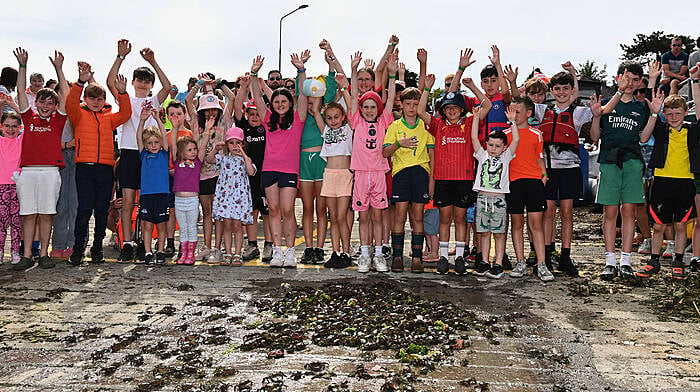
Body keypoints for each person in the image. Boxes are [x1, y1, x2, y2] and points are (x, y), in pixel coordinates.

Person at [419, 49, 491, 276]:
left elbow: (486, 106)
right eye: (447, 108)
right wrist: (428, 89)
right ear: (442, 110)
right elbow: (421, 110)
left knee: (461, 218)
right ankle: (442, 258)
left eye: (455, 107)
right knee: (445, 219)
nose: (451, 111)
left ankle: (459, 257)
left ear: (462, 109)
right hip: (443, 178)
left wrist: (472, 87)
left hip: (464, 177)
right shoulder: (438, 125)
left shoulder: (469, 124)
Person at [108, 39, 172, 262]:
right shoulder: (126, 98)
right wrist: (120, 56)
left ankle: (150, 244)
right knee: (127, 201)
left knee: (148, 201)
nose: (143, 84)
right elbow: (110, 82)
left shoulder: (154, 100)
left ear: (150, 85)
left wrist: (153, 61)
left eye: (147, 81)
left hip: (151, 155)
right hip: (128, 152)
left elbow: (168, 86)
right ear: (134, 82)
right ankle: (127, 242)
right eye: (140, 80)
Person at [67, 61, 131, 266]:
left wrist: (122, 93)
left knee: (102, 210)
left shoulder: (109, 117)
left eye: (100, 98)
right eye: (92, 98)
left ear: (104, 100)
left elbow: (126, 114)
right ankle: (78, 249)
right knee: (84, 210)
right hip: (84, 168)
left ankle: (97, 249)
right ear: (85, 99)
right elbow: (70, 104)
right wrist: (79, 82)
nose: (96, 102)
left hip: (105, 168)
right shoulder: (78, 114)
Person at [589, 62, 648, 281]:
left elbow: (642, 138)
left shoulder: (641, 108)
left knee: (629, 210)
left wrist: (653, 114)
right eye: (626, 78)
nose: (630, 83)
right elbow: (595, 137)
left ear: (640, 82)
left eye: (635, 80)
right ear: (617, 78)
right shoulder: (603, 104)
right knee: (610, 212)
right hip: (609, 161)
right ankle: (609, 261)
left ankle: (625, 261)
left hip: (632, 161)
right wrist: (596, 116)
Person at [250, 52, 309, 268]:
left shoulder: (297, 118)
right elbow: (257, 97)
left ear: (290, 102)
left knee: (287, 209)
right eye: (277, 101)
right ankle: (277, 250)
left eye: (284, 101)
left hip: (289, 171)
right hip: (269, 170)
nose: (280, 104)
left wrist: (301, 70)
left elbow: (303, 95)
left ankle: (291, 251)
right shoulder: (267, 119)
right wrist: (254, 73)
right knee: (273, 209)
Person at [12, 48, 68, 270]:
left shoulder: (58, 121)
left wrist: (59, 69)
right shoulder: (28, 115)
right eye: (42, 102)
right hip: (27, 172)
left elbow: (65, 95)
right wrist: (23, 66)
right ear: (37, 103)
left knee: (46, 214)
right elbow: (20, 90)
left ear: (55, 106)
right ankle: (26, 255)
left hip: (50, 172)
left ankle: (44, 254)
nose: (45, 107)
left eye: (49, 104)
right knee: (28, 215)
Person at [637, 84, 700, 279]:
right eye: (669, 113)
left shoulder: (693, 130)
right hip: (662, 181)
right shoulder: (661, 129)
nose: (674, 117)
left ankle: (678, 260)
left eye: (678, 113)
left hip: (685, 182)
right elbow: (643, 138)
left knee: (680, 225)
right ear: (665, 113)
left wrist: (695, 81)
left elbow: (699, 110)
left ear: (685, 112)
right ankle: (654, 261)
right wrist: (654, 114)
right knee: (658, 225)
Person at [535, 67, 591, 276]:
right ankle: (547, 254)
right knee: (548, 212)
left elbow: (598, 113)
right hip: (548, 169)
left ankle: (566, 256)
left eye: (565, 89)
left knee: (567, 213)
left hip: (570, 169)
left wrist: (574, 74)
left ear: (571, 89)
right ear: (551, 90)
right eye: (557, 89)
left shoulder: (578, 113)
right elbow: (518, 99)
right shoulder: (542, 111)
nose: (561, 92)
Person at [347, 51, 397, 272]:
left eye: (372, 107)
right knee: (363, 216)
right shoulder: (356, 120)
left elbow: (391, 99)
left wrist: (393, 76)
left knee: (378, 216)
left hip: (378, 173)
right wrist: (353, 70)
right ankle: (364, 254)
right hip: (360, 174)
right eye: (365, 107)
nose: (369, 110)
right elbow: (354, 94)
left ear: (378, 109)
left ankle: (379, 254)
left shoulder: (385, 120)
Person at [383, 79, 435, 273]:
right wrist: (399, 144)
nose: (412, 108)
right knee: (399, 215)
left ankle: (416, 259)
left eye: (416, 104)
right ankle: (397, 257)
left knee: (418, 217)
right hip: (401, 174)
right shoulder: (394, 126)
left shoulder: (426, 126)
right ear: (401, 105)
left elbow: (432, 156)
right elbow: (385, 152)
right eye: (408, 104)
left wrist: (432, 182)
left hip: (421, 174)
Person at [503, 96, 554, 281]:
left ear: (528, 113)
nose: (513, 115)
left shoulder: (536, 134)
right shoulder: (505, 134)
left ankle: (542, 264)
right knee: (516, 224)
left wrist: (544, 175)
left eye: (517, 111)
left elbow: (539, 156)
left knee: (536, 224)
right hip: (513, 182)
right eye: (511, 111)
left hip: (533, 182)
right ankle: (520, 261)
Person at [297, 49, 337, 265]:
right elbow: (299, 90)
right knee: (307, 208)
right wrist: (301, 69)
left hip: (321, 162)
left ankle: (320, 248)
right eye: (310, 95)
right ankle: (309, 248)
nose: (313, 99)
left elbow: (330, 87)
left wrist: (330, 65)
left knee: (322, 209)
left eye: (317, 95)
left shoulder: (325, 114)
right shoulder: (301, 111)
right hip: (304, 163)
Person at [470, 106, 518, 278]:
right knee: (483, 232)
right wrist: (476, 118)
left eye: (497, 146)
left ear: (504, 147)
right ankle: (484, 261)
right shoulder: (482, 155)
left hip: (498, 200)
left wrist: (512, 121)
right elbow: (474, 137)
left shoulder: (506, 156)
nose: (493, 148)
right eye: (490, 144)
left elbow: (516, 141)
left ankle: (497, 264)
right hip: (482, 198)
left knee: (499, 233)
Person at [311, 79, 354, 269]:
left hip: (345, 175)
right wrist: (318, 92)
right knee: (333, 217)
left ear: (343, 116)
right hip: (328, 175)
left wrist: (343, 87)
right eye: (329, 117)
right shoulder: (325, 130)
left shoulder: (349, 128)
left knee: (342, 217)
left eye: (337, 116)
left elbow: (352, 104)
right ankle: (335, 252)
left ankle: (346, 252)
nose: (333, 120)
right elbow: (315, 110)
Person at [186, 76, 228, 263]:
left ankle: (217, 249)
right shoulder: (195, 123)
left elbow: (232, 99)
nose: (211, 112)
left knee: (218, 212)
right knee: (207, 212)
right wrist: (199, 85)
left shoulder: (222, 124)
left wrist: (219, 85)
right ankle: (206, 246)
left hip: (219, 174)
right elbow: (188, 100)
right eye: (206, 109)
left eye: (214, 109)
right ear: (201, 111)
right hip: (201, 175)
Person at [232, 78, 272, 262]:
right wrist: (243, 87)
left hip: (266, 175)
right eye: (252, 114)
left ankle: (270, 245)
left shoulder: (267, 127)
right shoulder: (244, 127)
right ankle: (253, 244)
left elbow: (273, 107)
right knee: (252, 212)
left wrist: (262, 86)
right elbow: (237, 106)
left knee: (268, 212)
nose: (255, 117)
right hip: (248, 177)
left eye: (258, 114)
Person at [206, 126, 256, 266]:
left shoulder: (245, 160)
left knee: (237, 225)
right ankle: (228, 252)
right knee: (227, 225)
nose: (235, 146)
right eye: (231, 143)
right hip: (225, 197)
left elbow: (251, 172)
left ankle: (238, 253)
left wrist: (244, 155)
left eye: (238, 142)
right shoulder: (223, 159)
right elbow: (209, 160)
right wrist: (216, 149)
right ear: (227, 144)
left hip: (239, 197)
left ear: (243, 144)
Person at [136, 106, 170, 265]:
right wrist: (142, 120)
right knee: (147, 225)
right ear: (145, 145)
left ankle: (161, 251)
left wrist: (158, 119)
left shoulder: (164, 153)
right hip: (147, 196)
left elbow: (164, 135)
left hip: (162, 195)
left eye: (156, 142)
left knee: (162, 225)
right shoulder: (144, 155)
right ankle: (148, 252)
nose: (154, 145)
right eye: (150, 143)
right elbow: (138, 137)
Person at [169, 112, 203, 265]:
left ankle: (191, 254)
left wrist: (207, 131)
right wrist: (175, 128)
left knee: (191, 227)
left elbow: (202, 147)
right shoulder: (177, 161)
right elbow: (173, 144)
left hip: (192, 200)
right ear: (182, 152)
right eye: (189, 150)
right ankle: (183, 252)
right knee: (182, 228)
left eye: (194, 149)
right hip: (179, 201)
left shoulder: (198, 162)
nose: (193, 152)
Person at [164, 100, 194, 259]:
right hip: (169, 177)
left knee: (185, 212)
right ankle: (170, 243)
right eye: (172, 114)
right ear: (167, 117)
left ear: (185, 115)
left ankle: (185, 243)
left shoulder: (190, 134)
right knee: (171, 211)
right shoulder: (166, 135)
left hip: (185, 179)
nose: (176, 117)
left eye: (179, 114)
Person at [0, 105, 23, 264]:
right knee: (1, 222)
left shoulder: (22, 140)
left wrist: (15, 106)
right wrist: (1, 104)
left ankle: (15, 250)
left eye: (14, 126)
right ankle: (0, 251)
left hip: (18, 187)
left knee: (16, 222)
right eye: (7, 126)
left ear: (19, 128)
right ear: (1, 127)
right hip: (1, 186)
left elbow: (28, 122)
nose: (10, 129)